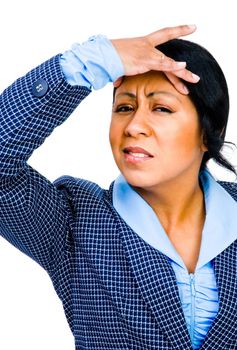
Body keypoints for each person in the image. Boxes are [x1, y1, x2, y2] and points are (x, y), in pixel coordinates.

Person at [0, 24, 236, 350]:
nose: (134, 126)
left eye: (162, 108)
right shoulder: (76, 223)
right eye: (124, 107)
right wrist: (92, 62)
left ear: (210, 132)